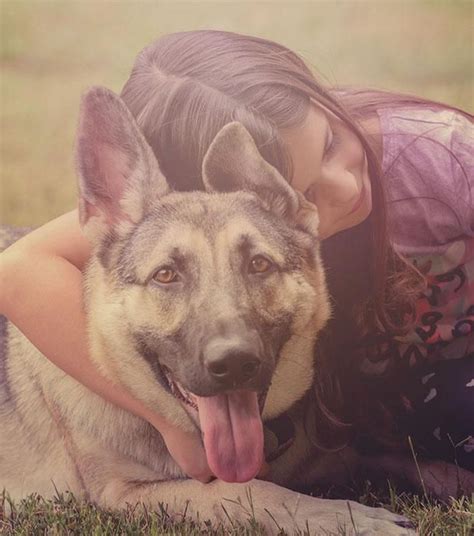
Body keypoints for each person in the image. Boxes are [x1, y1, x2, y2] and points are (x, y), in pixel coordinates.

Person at [1, 30, 472, 478]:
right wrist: (169, 421)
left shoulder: (439, 154)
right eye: (302, 189)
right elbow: (18, 268)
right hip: (396, 396)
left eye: (332, 141)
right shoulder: (171, 219)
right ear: (208, 191)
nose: (347, 187)